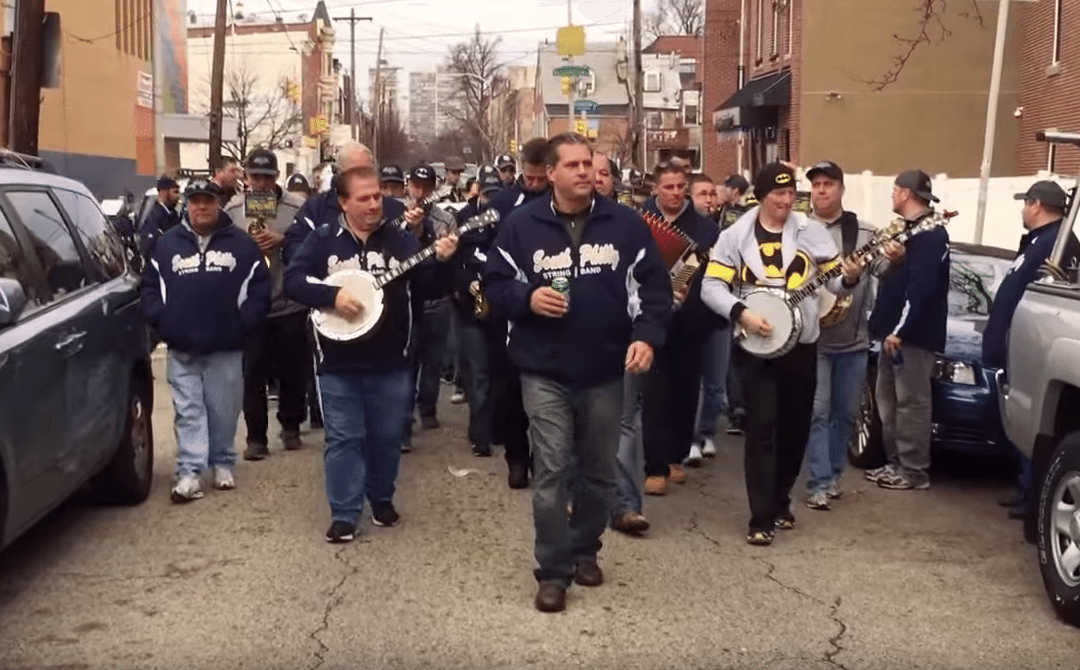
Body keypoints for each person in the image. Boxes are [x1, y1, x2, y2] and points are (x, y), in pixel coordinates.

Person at [484, 132, 671, 612]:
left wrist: (647, 336)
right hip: (542, 369)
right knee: (551, 470)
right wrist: (526, 298)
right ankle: (552, 570)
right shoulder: (521, 226)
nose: (585, 172)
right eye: (573, 165)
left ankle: (586, 547)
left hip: (606, 368)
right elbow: (495, 285)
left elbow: (653, 288)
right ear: (551, 173)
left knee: (598, 473)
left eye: (589, 163)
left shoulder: (625, 225)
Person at [284, 165, 458, 542]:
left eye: (378, 196)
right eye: (363, 198)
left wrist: (443, 260)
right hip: (337, 360)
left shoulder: (399, 241)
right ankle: (345, 513)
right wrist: (331, 296)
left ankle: (381, 498)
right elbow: (293, 281)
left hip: (391, 358)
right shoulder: (323, 240)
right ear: (343, 202)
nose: (374, 204)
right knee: (343, 438)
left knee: (386, 435)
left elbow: (428, 284)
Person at [701, 162, 862, 545]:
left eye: (791, 194)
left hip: (801, 344)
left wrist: (851, 275)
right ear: (761, 195)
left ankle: (780, 498)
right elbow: (711, 286)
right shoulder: (736, 236)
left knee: (794, 428)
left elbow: (835, 281)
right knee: (762, 428)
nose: (787, 201)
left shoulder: (813, 232)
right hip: (755, 346)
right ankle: (760, 516)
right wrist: (742, 313)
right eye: (779, 194)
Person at [141, 179, 271, 503]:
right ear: (186, 204)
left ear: (218, 204)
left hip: (226, 346)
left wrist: (244, 324)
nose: (201, 207)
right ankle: (190, 471)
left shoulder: (242, 245)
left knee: (224, 409)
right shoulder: (167, 244)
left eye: (208, 201)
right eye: (195, 201)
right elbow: (149, 287)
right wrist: (162, 322)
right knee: (188, 410)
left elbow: (260, 288)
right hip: (182, 346)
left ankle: (223, 461)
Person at [802, 161, 897, 510]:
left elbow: (883, 269)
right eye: (816, 185)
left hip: (854, 340)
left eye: (828, 184)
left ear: (841, 189)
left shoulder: (864, 232)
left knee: (844, 414)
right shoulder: (798, 228)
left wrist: (896, 258)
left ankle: (834, 475)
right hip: (814, 339)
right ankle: (818, 481)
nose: (821, 190)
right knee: (818, 411)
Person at [985, 180, 1080, 518]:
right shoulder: (1039, 241)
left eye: (1026, 203)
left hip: (1035, 348)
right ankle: (1025, 489)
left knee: (1035, 420)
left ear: (1037, 204)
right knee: (1020, 419)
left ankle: (1033, 497)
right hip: (1017, 347)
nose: (1023, 210)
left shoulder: (1059, 244)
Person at [640, 162, 723, 496]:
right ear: (656, 189)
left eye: (680, 187)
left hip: (692, 320)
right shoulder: (641, 222)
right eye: (668, 187)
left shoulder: (705, 229)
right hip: (653, 320)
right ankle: (655, 465)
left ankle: (676, 455)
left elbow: (717, 270)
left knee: (687, 390)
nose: (675, 193)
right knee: (655, 393)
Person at [865, 169, 950, 491]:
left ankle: (914, 470)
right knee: (888, 401)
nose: (891, 196)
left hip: (911, 337)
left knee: (911, 403)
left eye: (894, 191)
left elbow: (921, 289)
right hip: (892, 333)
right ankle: (895, 463)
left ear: (903, 193)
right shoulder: (905, 231)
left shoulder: (931, 235)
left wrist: (900, 330)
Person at [223, 149, 310, 461]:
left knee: (292, 369)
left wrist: (282, 239)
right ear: (246, 177)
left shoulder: (297, 207)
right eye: (255, 176)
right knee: (253, 371)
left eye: (267, 177)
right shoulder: (233, 210)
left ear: (277, 178)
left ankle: (290, 425)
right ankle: (256, 436)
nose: (260, 183)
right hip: (252, 304)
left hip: (289, 300)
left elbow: (311, 244)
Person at [484, 137, 552, 486]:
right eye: (530, 178)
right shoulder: (503, 203)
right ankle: (516, 457)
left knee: (549, 390)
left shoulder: (564, 204)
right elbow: (480, 248)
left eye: (542, 178)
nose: (536, 185)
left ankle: (546, 457)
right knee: (509, 389)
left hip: (553, 311)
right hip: (510, 309)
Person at [401, 165, 458, 449]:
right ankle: (404, 416)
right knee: (407, 359)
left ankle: (428, 408)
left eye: (426, 186)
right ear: (408, 185)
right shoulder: (395, 217)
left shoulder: (445, 219)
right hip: (408, 299)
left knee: (432, 361)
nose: (420, 191)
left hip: (437, 297)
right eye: (415, 185)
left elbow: (451, 255)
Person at [450, 168, 504, 462]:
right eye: (488, 194)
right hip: (472, 311)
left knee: (500, 373)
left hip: (502, 310)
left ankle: (498, 429)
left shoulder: (509, 221)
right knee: (479, 374)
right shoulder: (465, 221)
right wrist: (466, 282)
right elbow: (455, 261)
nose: (492, 201)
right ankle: (481, 435)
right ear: (479, 193)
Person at [282, 142, 406, 264]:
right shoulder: (316, 208)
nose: (362, 180)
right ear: (339, 174)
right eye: (355, 174)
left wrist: (419, 231)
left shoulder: (394, 209)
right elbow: (292, 248)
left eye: (367, 172)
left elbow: (415, 258)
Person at [138, 175, 182, 258]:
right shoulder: (155, 217)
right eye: (175, 192)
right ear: (164, 192)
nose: (178, 196)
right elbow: (149, 247)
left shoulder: (173, 214)